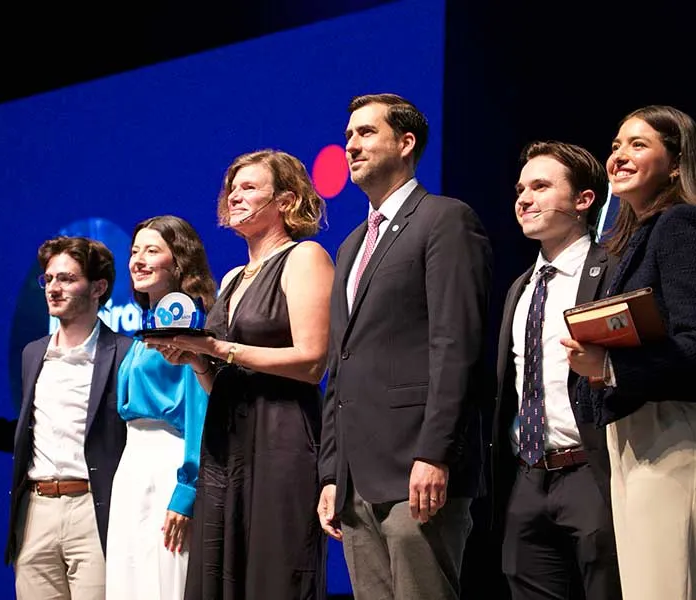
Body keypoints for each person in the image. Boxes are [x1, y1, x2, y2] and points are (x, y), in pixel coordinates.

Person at [317, 93, 492, 600]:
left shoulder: (444, 220)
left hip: (418, 470)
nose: (351, 145)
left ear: (406, 142)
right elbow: (341, 366)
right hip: (356, 482)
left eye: (366, 133)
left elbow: (455, 344)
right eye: (348, 135)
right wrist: (333, 473)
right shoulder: (351, 245)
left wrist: (435, 452)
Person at [153, 149, 334, 599]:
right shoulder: (233, 276)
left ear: (287, 201)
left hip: (282, 441)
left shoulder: (305, 258)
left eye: (250, 187)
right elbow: (224, 381)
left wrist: (218, 348)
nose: (234, 196)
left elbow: (313, 363)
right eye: (232, 188)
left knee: (274, 576)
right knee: (220, 576)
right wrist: (196, 360)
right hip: (225, 446)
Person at [563, 105, 696, 600]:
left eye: (638, 145)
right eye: (617, 144)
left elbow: (693, 344)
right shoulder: (632, 238)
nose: (619, 155)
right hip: (632, 435)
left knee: (666, 587)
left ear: (677, 163)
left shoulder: (679, 224)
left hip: (670, 434)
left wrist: (610, 365)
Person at [492, 141, 621, 599]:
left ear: (584, 201)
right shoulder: (521, 287)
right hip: (528, 474)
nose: (523, 198)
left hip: (592, 469)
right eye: (521, 188)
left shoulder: (613, 271)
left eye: (541, 186)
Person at [5, 236, 133, 600]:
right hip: (36, 508)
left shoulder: (126, 354)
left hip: (94, 509)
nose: (54, 289)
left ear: (99, 287)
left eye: (67, 279)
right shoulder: (32, 354)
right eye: (49, 279)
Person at [104, 215, 216, 600]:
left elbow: (199, 413)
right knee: (129, 581)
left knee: (163, 580)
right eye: (135, 251)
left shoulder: (190, 324)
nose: (137, 260)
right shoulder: (147, 326)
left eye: (152, 250)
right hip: (132, 468)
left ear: (179, 260)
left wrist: (186, 491)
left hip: (167, 469)